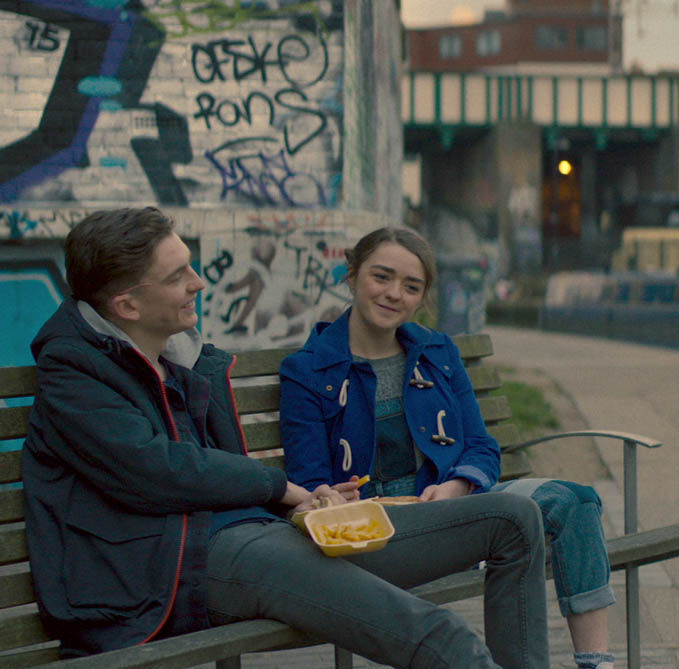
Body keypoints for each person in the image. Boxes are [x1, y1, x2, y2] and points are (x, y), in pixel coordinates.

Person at [22, 207, 550, 668]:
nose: (199, 282)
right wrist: (283, 489)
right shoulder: (74, 373)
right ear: (127, 306)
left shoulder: (182, 359)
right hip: (167, 573)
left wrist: (305, 503)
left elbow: (216, 473)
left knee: (512, 519)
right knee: (440, 634)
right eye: (179, 275)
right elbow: (158, 470)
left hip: (253, 537)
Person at [280, 227, 617, 669]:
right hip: (376, 532)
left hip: (449, 508)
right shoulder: (307, 370)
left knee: (576, 501)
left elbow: (481, 447)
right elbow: (308, 482)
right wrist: (328, 497)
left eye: (411, 286)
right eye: (381, 277)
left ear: (422, 298)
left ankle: (597, 664)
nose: (393, 293)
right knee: (513, 518)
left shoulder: (437, 353)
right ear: (352, 274)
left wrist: (457, 486)